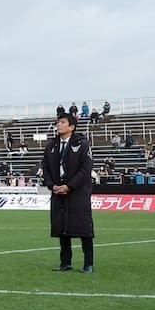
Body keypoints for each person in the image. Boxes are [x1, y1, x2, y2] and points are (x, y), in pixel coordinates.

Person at [41, 113, 95, 272]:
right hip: (58, 192)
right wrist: (52, 185)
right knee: (62, 227)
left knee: (84, 228)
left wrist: (69, 186)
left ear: (71, 126)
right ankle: (65, 262)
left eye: (62, 122)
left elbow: (86, 169)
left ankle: (88, 263)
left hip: (78, 193)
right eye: (57, 122)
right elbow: (45, 168)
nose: (58, 125)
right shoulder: (51, 146)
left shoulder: (82, 144)